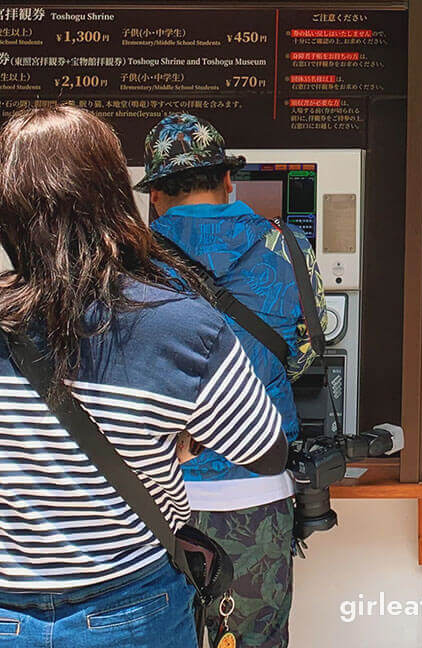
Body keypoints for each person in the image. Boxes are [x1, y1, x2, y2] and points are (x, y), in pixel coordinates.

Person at [0, 105, 287, 648]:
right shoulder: (181, 324)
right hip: (129, 608)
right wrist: (173, 441)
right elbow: (265, 450)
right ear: (114, 197)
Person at [136, 113, 327, 648]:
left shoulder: (127, 260)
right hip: (258, 484)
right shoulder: (288, 246)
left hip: (152, 490)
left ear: (155, 196)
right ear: (227, 181)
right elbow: (305, 352)